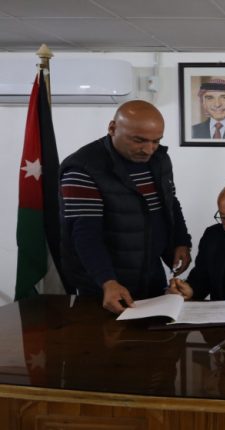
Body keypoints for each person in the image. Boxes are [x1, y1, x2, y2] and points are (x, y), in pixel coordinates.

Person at [59, 100, 192, 314]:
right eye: (139, 140)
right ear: (113, 128)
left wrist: (181, 241)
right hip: (104, 283)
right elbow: (85, 234)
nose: (148, 149)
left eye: (156, 141)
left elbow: (170, 203)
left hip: (150, 272)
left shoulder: (159, 158)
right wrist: (107, 281)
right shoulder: (83, 168)